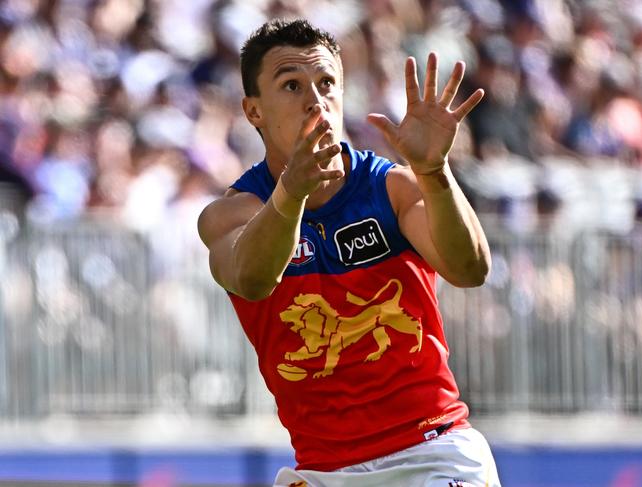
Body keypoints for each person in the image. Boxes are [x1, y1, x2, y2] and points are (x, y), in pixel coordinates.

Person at [198, 19, 500, 487]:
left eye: (326, 83)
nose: (315, 100)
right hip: (321, 470)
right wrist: (290, 196)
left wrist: (435, 172)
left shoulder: (393, 186)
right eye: (292, 85)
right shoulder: (230, 215)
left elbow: (470, 269)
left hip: (431, 452)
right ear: (253, 111)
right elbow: (253, 279)